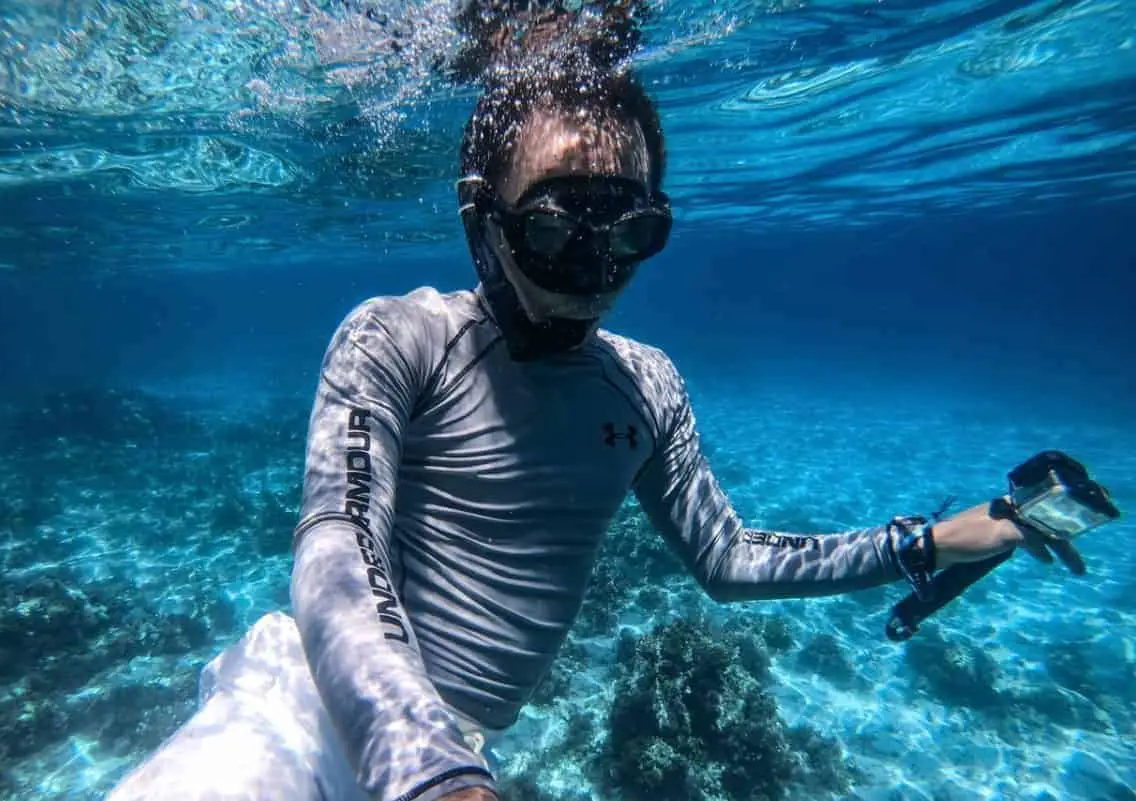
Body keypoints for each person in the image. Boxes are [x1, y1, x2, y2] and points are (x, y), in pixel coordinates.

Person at [105, 5, 1085, 801]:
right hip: (304, 715)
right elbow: (337, 548)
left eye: (632, 232)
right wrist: (429, 770)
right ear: (480, 218)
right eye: (558, 231)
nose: (597, 271)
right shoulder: (396, 336)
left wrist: (928, 542)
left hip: (455, 758)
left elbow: (730, 559)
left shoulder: (646, 383)